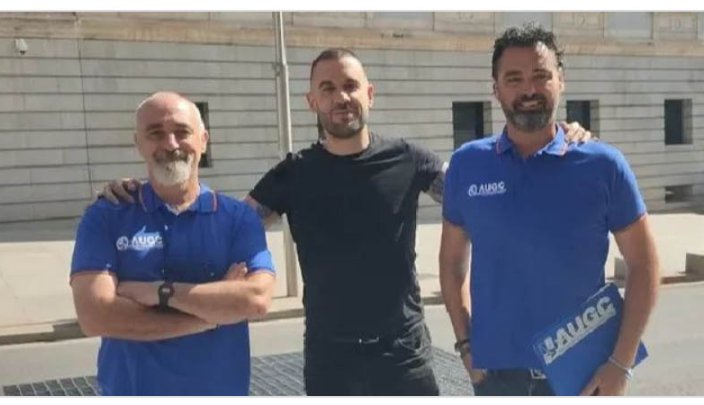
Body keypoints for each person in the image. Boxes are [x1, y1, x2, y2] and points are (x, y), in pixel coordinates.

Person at [100, 48, 591, 396]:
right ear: (312, 101)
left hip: (404, 355)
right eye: (328, 88)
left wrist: (559, 138)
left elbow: (493, 188)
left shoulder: (410, 161)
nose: (342, 97)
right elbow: (223, 222)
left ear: (370, 94)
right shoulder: (293, 174)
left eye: (351, 85)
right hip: (330, 358)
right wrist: (147, 188)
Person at [439, 24, 660, 396]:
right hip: (497, 379)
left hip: (583, 376)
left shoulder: (603, 165)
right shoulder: (467, 164)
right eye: (514, 78)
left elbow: (645, 265)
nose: (529, 89)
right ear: (496, 90)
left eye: (541, 76)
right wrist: (465, 345)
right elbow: (451, 262)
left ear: (561, 81)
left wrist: (620, 364)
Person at [70, 91, 276, 396]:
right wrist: (208, 318)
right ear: (138, 142)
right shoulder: (105, 216)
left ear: (204, 140)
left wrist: (157, 292)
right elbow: (95, 315)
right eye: (156, 133)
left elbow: (255, 299)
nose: (170, 144)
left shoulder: (237, 218)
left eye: (183, 132)